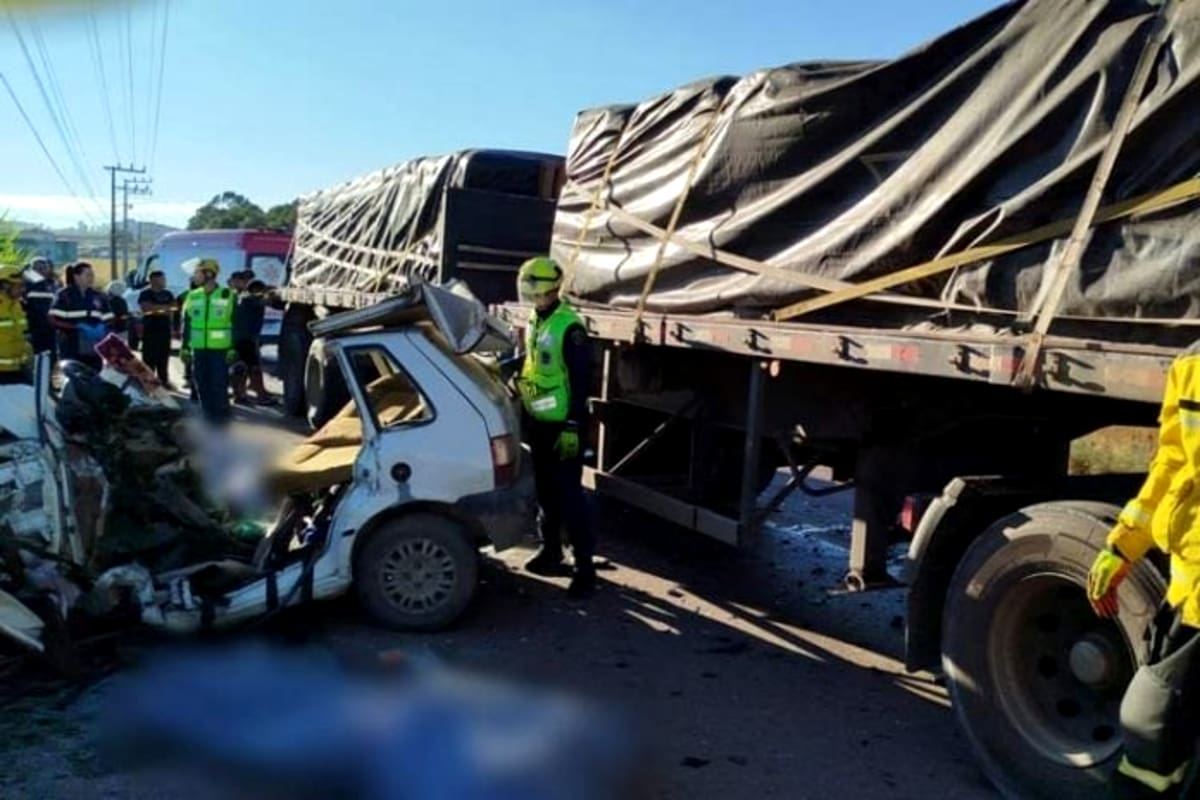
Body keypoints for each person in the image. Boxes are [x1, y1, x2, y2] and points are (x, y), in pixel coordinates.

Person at [1089, 342, 1200, 798]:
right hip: (1189, 587)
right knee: (1152, 731)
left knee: (1149, 721)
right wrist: (1123, 544)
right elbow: (1172, 463)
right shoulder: (1192, 363)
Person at [515, 256, 595, 599]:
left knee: (570, 496)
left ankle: (585, 568)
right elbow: (534, 363)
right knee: (546, 493)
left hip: (565, 424)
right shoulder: (536, 318)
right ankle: (551, 551)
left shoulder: (570, 327)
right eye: (530, 295)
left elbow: (581, 381)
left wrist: (574, 425)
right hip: (540, 422)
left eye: (539, 294)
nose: (534, 300)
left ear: (553, 290)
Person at [181, 258, 236, 425]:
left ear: (209, 274)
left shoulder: (227, 295)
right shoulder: (192, 295)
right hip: (199, 350)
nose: (195, 276)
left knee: (218, 386)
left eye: (198, 273)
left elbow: (236, 323)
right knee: (201, 385)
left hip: (220, 350)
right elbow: (187, 323)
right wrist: (184, 347)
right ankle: (208, 419)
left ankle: (221, 421)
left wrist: (233, 347)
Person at [49, 261, 111, 372]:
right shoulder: (64, 295)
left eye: (92, 275)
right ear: (76, 277)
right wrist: (77, 327)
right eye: (87, 275)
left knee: (94, 378)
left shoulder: (99, 296)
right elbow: (52, 320)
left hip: (94, 348)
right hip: (71, 346)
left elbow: (109, 319)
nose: (91, 278)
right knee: (74, 379)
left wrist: (103, 327)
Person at [231, 276, 275, 405]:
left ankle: (240, 395)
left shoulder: (244, 298)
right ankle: (260, 396)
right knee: (253, 367)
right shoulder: (249, 299)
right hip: (246, 339)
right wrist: (271, 292)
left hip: (240, 337)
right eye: (258, 290)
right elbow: (267, 301)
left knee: (240, 367)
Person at [137, 270, 175, 387]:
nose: (164, 281)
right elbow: (147, 309)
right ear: (154, 280)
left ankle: (164, 380)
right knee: (149, 359)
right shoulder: (145, 294)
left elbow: (172, 310)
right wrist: (164, 309)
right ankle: (148, 382)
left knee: (163, 357)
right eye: (162, 279)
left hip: (165, 331)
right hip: (150, 332)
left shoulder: (168, 294)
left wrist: (157, 308)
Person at [0, 266, 32, 384]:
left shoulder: (17, 306)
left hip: (17, 370)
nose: (22, 289)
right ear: (5, 286)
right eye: (18, 286)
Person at [22, 257, 57, 359]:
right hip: (33, 329)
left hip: (50, 330)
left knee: (50, 359)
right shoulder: (26, 285)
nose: (41, 271)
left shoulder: (52, 285)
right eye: (38, 268)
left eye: (44, 268)